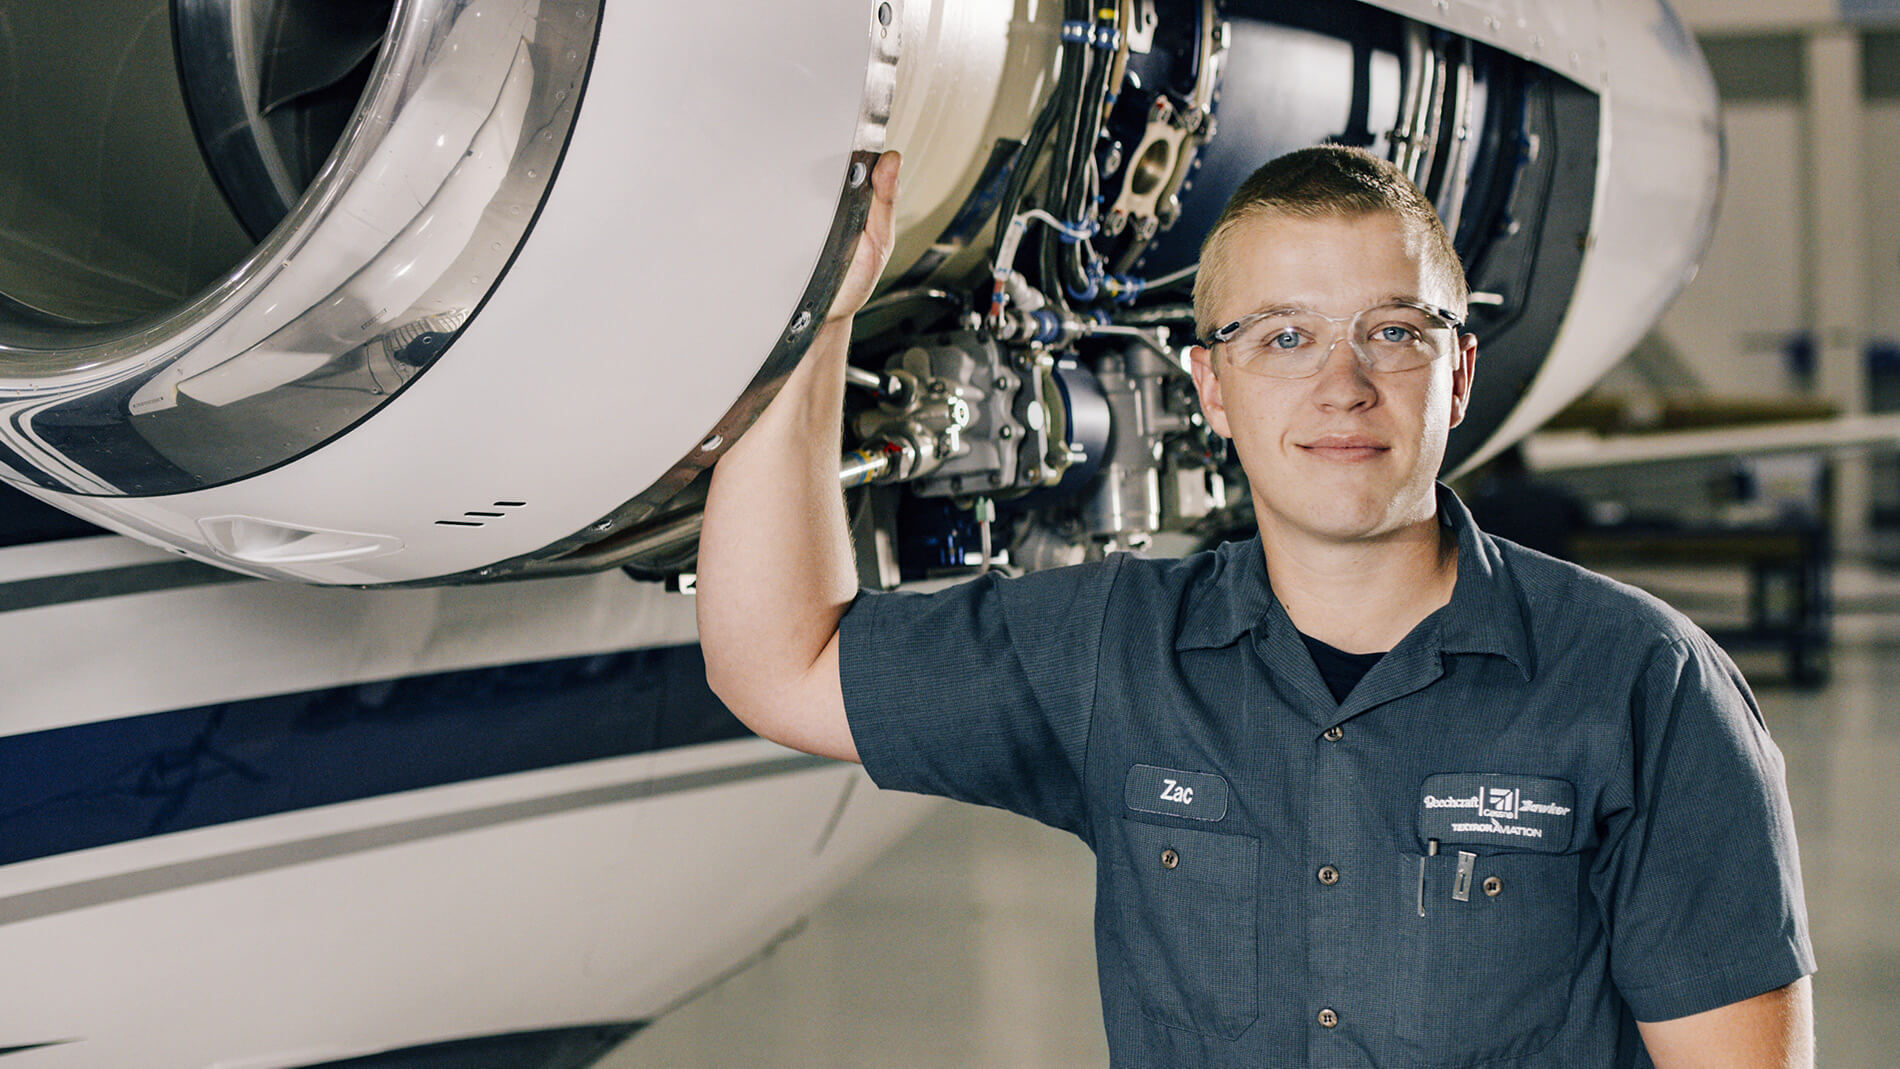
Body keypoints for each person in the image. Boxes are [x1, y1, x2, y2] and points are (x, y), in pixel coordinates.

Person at [697, 146, 1815, 1067]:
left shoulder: (1642, 686)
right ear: (1210, 390)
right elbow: (777, 661)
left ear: (1458, 375)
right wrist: (816, 318)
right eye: (1283, 335)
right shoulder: (1113, 653)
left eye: (1393, 331)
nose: (1343, 384)